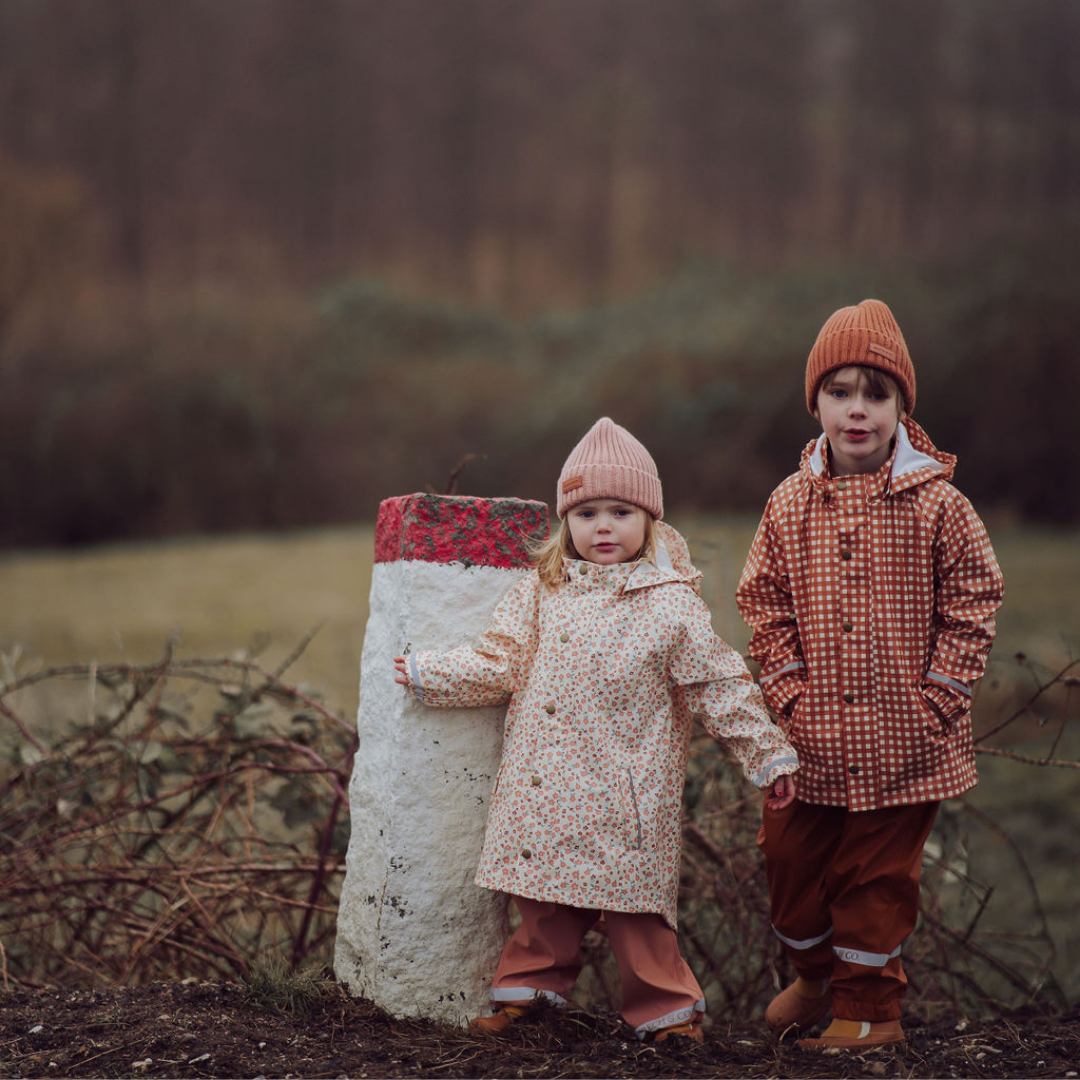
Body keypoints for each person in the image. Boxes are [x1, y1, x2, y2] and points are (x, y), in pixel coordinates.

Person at [393, 417, 798, 1044]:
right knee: (543, 905)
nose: (602, 526)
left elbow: (719, 685)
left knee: (637, 917)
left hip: (625, 796)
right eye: (585, 514)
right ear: (566, 524)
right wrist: (429, 672)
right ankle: (528, 1000)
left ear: (650, 521)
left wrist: (767, 754)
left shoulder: (670, 603)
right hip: (546, 786)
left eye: (619, 511)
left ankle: (668, 1016)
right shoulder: (542, 591)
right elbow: (499, 660)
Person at [736, 299, 1004, 1051]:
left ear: (900, 407)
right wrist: (787, 689)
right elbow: (763, 597)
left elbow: (976, 596)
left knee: (873, 880)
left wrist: (942, 698)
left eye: (876, 394)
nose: (858, 411)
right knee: (789, 859)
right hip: (811, 735)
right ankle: (815, 972)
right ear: (816, 402)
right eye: (841, 392)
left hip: (906, 738)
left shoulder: (939, 505)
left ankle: (869, 1014)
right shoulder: (790, 503)